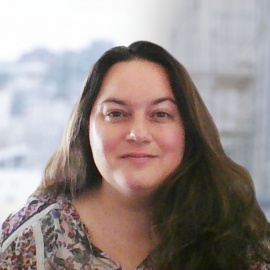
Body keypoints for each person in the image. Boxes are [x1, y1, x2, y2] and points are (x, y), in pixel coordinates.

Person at [0, 41, 270, 270]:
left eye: (160, 115)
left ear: (189, 130)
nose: (138, 133)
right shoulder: (29, 242)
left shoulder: (240, 237)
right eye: (116, 114)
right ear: (85, 129)